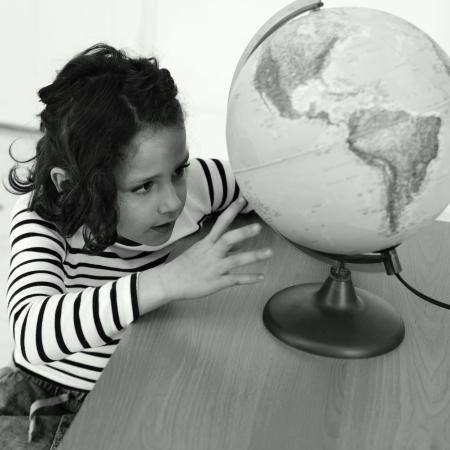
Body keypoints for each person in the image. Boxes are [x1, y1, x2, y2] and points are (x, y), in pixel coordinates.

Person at [1, 43, 272, 449]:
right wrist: (167, 280)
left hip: (137, 382)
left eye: (178, 171)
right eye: (143, 186)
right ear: (70, 186)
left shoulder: (190, 184)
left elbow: (265, 185)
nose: (172, 201)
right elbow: (31, 332)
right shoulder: (41, 219)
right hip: (45, 398)